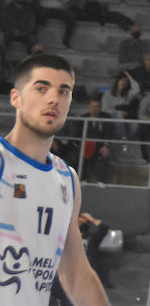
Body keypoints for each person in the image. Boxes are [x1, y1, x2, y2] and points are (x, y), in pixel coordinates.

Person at [1, 53, 109, 305]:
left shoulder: (67, 179)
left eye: (64, 91)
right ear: (15, 97)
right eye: (41, 88)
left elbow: (75, 273)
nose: (53, 99)